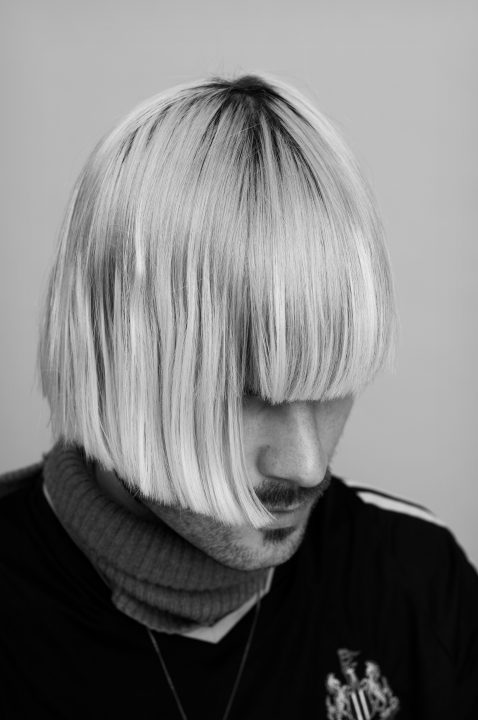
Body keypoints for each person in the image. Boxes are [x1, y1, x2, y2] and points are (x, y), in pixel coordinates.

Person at [0, 72, 477, 720]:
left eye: (332, 383)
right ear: (111, 362)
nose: (307, 465)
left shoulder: (417, 579)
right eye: (247, 393)